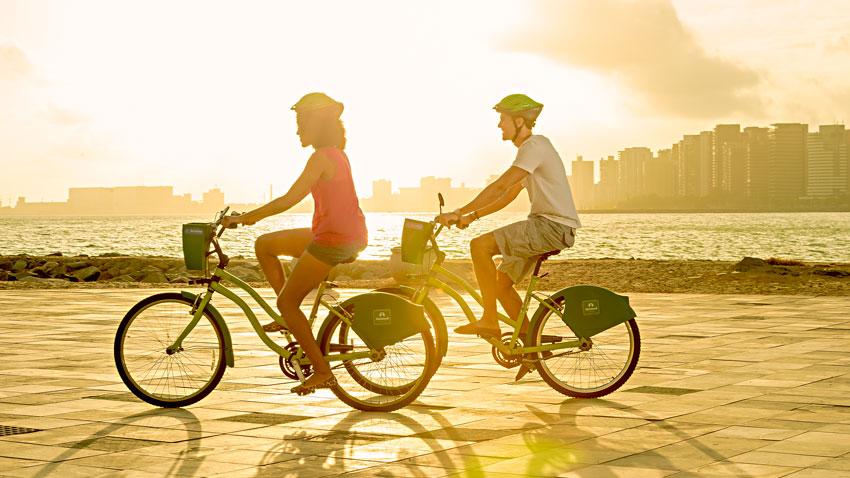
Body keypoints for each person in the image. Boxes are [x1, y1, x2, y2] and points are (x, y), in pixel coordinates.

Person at [222, 92, 368, 396]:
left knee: (287, 301)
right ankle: (291, 322)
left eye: (302, 122)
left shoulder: (323, 156)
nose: (298, 130)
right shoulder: (333, 154)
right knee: (265, 245)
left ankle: (323, 372)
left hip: (335, 240)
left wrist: (246, 218)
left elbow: (290, 199)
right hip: (334, 232)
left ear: (318, 123)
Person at [436, 93, 581, 339]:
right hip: (546, 226)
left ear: (520, 122)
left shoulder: (535, 146)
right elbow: (509, 194)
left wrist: (459, 211)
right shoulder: (532, 151)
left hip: (551, 227)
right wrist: (472, 217)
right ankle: (528, 345)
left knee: (479, 246)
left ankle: (489, 321)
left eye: (503, 119)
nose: (499, 125)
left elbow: (501, 186)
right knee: (501, 286)